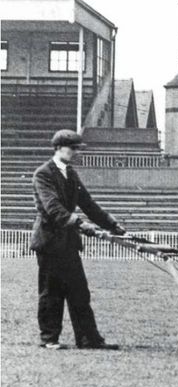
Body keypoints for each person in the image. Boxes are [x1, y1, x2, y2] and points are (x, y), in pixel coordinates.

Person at [30, 129, 127, 350]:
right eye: (72, 148)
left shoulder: (71, 174)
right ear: (58, 148)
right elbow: (53, 208)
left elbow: (88, 204)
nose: (75, 152)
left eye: (77, 148)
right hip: (50, 242)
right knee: (51, 292)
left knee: (79, 292)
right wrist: (80, 224)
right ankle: (49, 339)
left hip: (68, 244)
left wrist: (112, 225)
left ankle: (88, 339)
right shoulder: (43, 174)